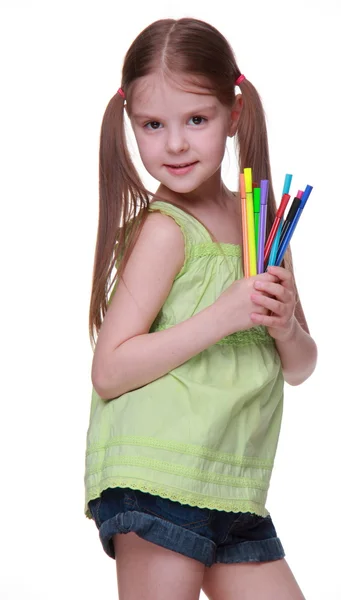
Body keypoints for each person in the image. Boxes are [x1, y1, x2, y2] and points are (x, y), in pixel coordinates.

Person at [84, 17, 317, 600]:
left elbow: (301, 365)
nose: (176, 143)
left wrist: (284, 324)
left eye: (197, 119)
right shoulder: (166, 231)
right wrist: (223, 315)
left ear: (232, 115)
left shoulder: (259, 225)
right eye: (153, 125)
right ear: (131, 125)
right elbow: (109, 369)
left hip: (231, 485)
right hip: (158, 479)